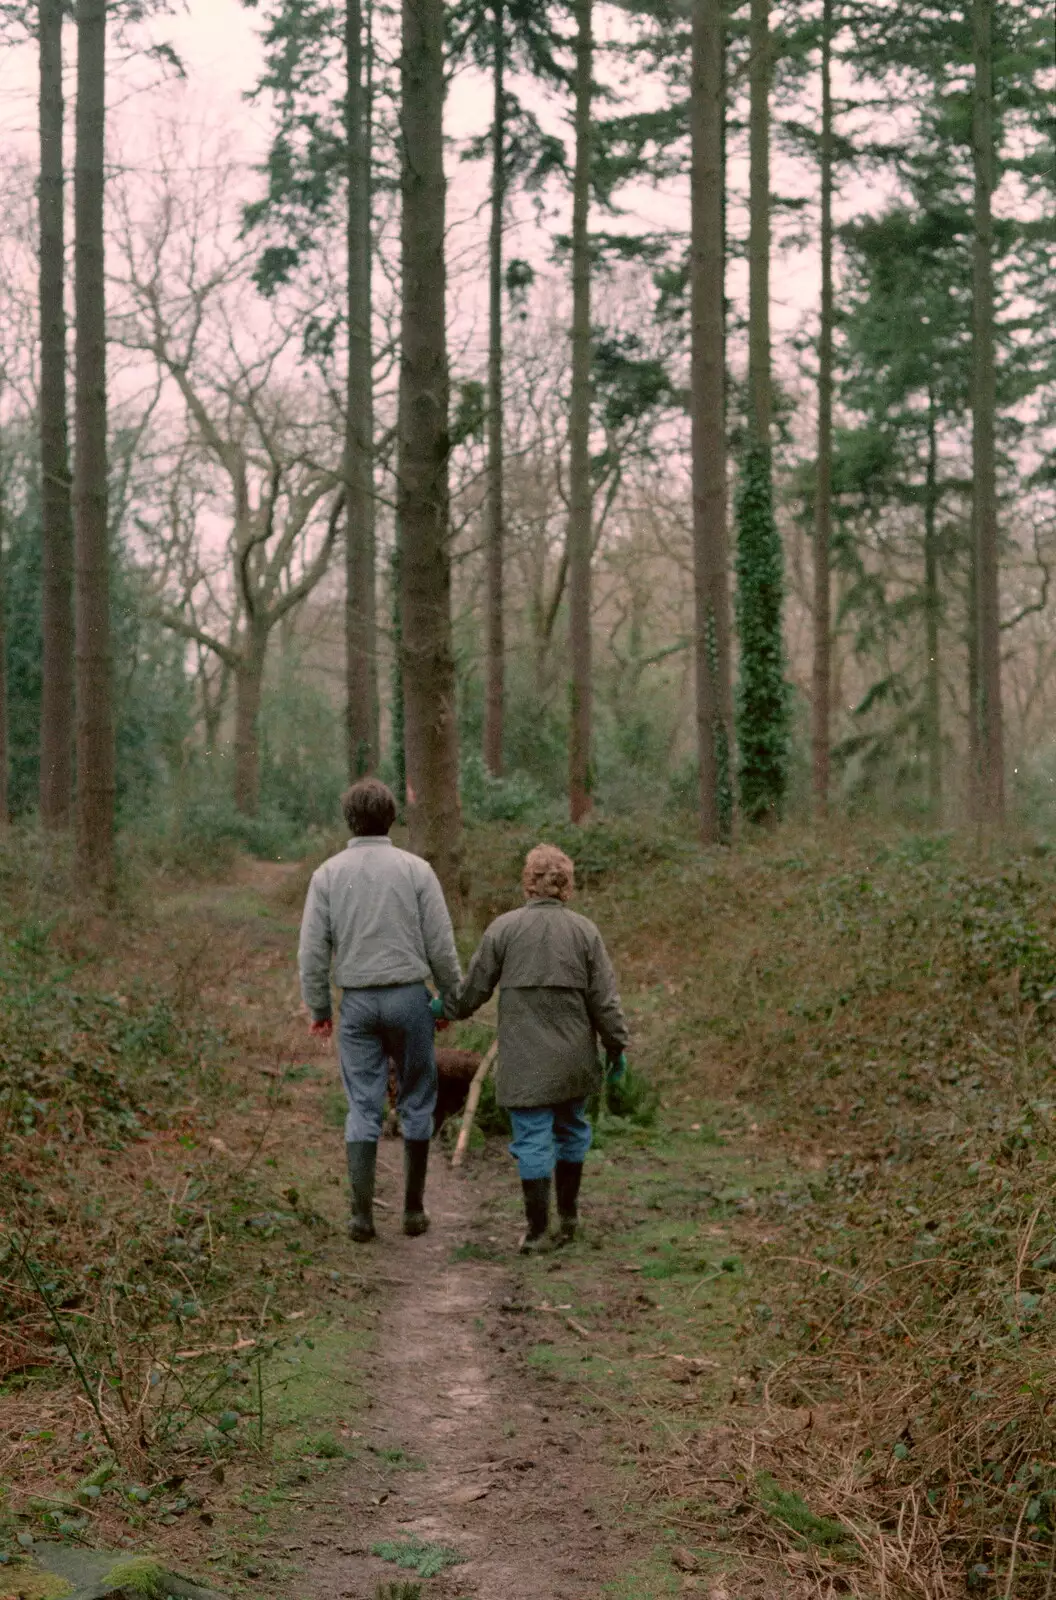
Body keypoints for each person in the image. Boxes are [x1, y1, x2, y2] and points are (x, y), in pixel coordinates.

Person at [436, 843, 629, 1253]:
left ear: (528, 883)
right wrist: (616, 1047)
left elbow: (471, 995)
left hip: (524, 1061)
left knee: (532, 1138)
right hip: (574, 1059)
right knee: (572, 1129)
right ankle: (570, 1219)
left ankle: (538, 1232)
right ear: (566, 886)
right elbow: (605, 1002)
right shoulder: (585, 932)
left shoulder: (503, 929)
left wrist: (442, 1006)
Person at [298, 778, 462, 1243]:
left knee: (362, 1105)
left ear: (349, 820)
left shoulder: (327, 874)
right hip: (410, 998)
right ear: (392, 817)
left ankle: (360, 1217)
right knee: (417, 1099)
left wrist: (318, 1007)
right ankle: (413, 1211)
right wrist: (449, 997)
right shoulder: (417, 870)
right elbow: (441, 945)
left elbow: (312, 951)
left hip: (358, 1004)